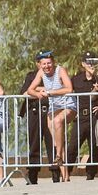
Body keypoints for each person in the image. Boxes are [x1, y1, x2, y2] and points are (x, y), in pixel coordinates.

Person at [25, 51, 76, 182]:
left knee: (58, 121)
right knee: (57, 141)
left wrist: (50, 92)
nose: (47, 66)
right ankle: (65, 176)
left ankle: (58, 155)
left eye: (49, 63)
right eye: (44, 64)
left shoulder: (61, 70)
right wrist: (39, 94)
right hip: (53, 108)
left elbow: (69, 88)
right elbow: (29, 89)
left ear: (53, 62)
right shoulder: (41, 73)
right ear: (40, 65)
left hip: (67, 106)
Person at [21, 53, 60, 184]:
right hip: (35, 113)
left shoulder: (55, 74)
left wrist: (42, 90)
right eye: (41, 62)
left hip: (51, 111)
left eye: (46, 63)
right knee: (34, 144)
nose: (44, 65)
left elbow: (62, 89)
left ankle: (55, 173)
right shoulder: (31, 76)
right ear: (38, 64)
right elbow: (25, 93)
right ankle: (33, 175)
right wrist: (42, 92)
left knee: (52, 143)